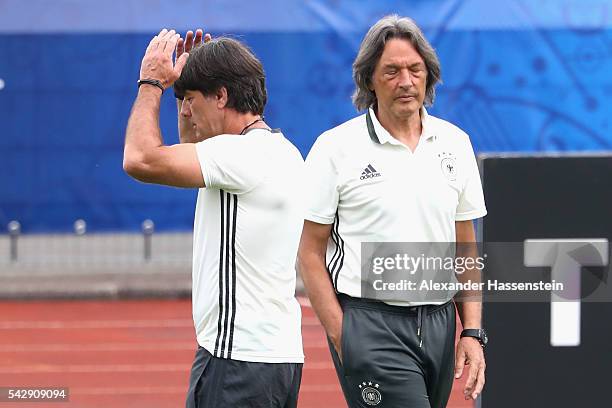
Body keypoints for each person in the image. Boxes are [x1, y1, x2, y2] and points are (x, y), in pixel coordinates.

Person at [298, 15, 487, 408]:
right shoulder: (335, 149)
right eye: (392, 71)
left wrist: (471, 331)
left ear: (428, 76)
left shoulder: (456, 143)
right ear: (369, 79)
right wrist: (342, 333)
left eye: (415, 69)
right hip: (371, 323)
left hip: (439, 323)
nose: (406, 81)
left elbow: (465, 250)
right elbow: (309, 252)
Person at [123, 28, 304, 408]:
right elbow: (191, 148)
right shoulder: (280, 151)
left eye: (191, 100)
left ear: (221, 96)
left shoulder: (240, 156)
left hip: (235, 360)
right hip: (275, 358)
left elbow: (139, 158)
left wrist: (151, 82)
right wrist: (181, 91)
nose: (186, 111)